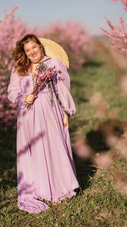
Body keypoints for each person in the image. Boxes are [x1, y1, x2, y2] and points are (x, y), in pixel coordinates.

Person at [7, 34, 79, 214]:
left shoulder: (54, 64)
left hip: (49, 111)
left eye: (34, 47)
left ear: (40, 46)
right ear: (24, 52)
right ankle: (39, 188)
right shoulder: (20, 69)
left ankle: (58, 190)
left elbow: (63, 90)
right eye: (27, 50)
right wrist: (24, 97)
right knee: (35, 151)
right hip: (27, 115)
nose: (32, 52)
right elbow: (11, 91)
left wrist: (65, 113)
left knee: (53, 148)